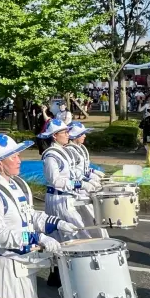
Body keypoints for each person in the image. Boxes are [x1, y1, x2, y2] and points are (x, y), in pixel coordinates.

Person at [0, 133, 77, 298]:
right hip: (2, 267)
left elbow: (28, 215)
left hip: (21, 263)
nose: (19, 160)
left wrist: (56, 223)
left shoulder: (15, 184)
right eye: (13, 157)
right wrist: (35, 238)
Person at [39, 118, 97, 287]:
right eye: (64, 132)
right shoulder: (51, 155)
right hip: (58, 198)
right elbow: (55, 180)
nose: (67, 134)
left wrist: (88, 179)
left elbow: (73, 174)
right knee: (76, 234)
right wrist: (80, 184)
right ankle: (78, 274)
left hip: (67, 196)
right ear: (54, 136)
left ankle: (58, 274)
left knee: (62, 236)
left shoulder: (63, 151)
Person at [64, 122, 107, 239]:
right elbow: (74, 174)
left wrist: (93, 173)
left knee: (93, 220)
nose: (85, 136)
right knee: (91, 220)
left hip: (82, 187)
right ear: (75, 136)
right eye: (82, 134)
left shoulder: (79, 148)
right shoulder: (70, 151)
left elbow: (83, 169)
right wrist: (86, 181)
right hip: (77, 190)